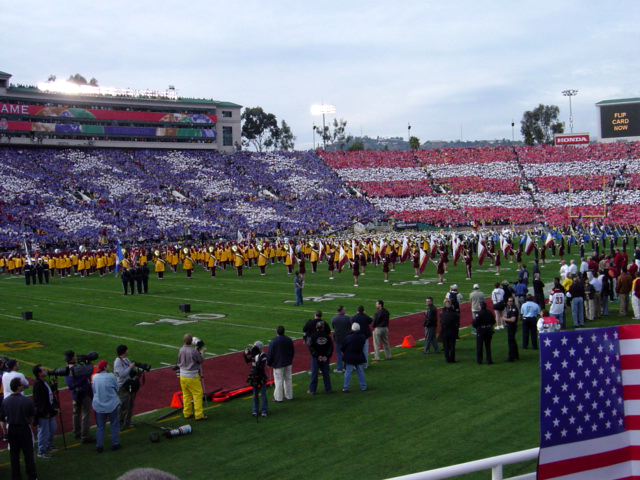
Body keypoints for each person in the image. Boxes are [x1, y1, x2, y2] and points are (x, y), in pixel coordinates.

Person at [1, 377, 38, 480]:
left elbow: (2, 417)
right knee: (28, 454)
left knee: (14, 455)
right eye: (21, 385)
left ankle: (16, 476)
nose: (23, 386)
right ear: (18, 387)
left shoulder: (6, 401)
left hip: (12, 429)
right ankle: (32, 476)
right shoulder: (26, 400)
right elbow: (32, 414)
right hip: (24, 428)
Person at [64, 350, 94, 443]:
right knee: (85, 414)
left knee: (76, 413)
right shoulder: (77, 368)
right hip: (84, 393)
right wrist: (88, 361)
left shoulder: (66, 369)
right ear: (73, 357)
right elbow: (90, 369)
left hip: (75, 394)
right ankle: (85, 436)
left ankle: (76, 432)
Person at [92, 360, 121, 453]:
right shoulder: (110, 376)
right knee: (114, 425)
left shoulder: (95, 377)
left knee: (100, 427)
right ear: (105, 368)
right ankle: (115, 444)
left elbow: (94, 390)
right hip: (111, 404)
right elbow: (117, 387)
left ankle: (99, 445)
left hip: (99, 405)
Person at [177, 334, 207, 421]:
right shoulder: (193, 351)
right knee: (197, 394)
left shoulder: (181, 350)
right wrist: (202, 353)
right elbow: (201, 360)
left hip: (182, 375)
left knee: (186, 395)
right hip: (192, 376)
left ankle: (186, 413)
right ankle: (199, 415)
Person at [32, 364, 59, 458]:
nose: (45, 370)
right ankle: (41, 450)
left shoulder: (43, 381)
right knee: (44, 431)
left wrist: (55, 385)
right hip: (44, 412)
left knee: (52, 428)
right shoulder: (38, 384)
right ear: (39, 373)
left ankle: (48, 445)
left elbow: (49, 392)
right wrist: (45, 412)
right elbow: (39, 400)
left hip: (49, 410)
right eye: (43, 370)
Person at [266, 326, 294, 402]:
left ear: (276, 332)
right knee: (288, 379)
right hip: (288, 362)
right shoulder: (289, 339)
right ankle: (289, 396)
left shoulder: (274, 341)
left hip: (278, 364)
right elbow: (292, 351)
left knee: (278, 381)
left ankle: (278, 398)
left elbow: (270, 353)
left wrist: (268, 362)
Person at [114, 344, 137, 428]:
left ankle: (127, 421)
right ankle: (119, 423)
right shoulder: (118, 362)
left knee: (130, 403)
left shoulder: (126, 360)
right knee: (123, 406)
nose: (128, 351)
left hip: (129, 385)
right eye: (127, 350)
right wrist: (130, 367)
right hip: (122, 386)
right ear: (123, 352)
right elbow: (121, 374)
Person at [308, 321, 333, 395]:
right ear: (323, 328)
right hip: (325, 358)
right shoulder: (327, 336)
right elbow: (331, 347)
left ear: (316, 327)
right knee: (326, 373)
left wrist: (317, 356)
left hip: (316, 358)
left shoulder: (313, 336)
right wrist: (326, 356)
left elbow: (310, 347)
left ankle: (312, 390)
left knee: (314, 374)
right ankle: (328, 389)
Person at [244, 341, 268, 417]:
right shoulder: (254, 355)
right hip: (254, 376)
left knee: (263, 394)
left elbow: (261, 367)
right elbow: (247, 361)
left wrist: (255, 365)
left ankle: (264, 410)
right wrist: (244, 354)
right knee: (255, 395)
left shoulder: (263, 355)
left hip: (261, 376)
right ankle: (255, 410)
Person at [341, 323, 367, 392]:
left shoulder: (348, 337)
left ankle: (346, 387)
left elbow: (343, 347)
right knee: (360, 371)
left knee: (348, 372)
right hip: (359, 356)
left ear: (352, 329)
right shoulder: (362, 337)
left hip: (350, 357)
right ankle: (363, 386)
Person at [331, 306, 352, 373]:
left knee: (339, 353)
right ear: (342, 310)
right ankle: (346, 367)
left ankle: (339, 368)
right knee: (346, 352)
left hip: (338, 338)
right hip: (346, 337)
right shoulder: (347, 318)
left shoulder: (334, 318)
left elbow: (333, 326)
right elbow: (351, 325)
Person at [503, 297, 520, 362]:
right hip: (510, 326)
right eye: (509, 301)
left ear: (513, 302)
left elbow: (513, 319)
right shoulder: (510, 308)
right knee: (513, 341)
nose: (509, 302)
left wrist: (505, 319)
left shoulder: (513, 309)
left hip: (511, 326)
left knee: (511, 342)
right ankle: (516, 355)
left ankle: (511, 357)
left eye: (511, 301)